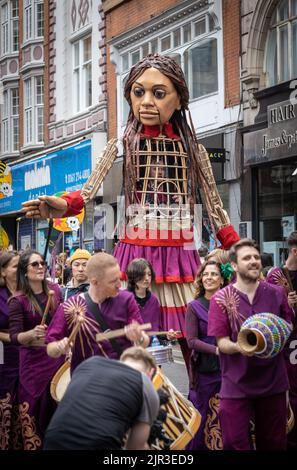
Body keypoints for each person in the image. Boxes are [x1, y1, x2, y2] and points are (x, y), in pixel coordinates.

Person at [22, 54, 239, 369]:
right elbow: (88, 189)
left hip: (180, 252)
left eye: (159, 93)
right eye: (139, 93)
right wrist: (63, 205)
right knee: (125, 339)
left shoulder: (194, 150)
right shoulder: (121, 144)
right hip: (134, 250)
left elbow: (215, 205)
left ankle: (196, 404)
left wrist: (236, 248)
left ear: (179, 99)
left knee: (193, 338)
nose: (147, 102)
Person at [208, 238, 293, 450]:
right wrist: (240, 346)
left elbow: (288, 325)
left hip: (273, 382)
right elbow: (222, 342)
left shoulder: (276, 293)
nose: (254, 261)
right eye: (247, 258)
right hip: (236, 384)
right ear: (235, 266)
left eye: (256, 257)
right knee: (234, 443)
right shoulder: (220, 298)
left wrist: (276, 334)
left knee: (274, 443)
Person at [46, 252, 150, 373]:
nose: (119, 285)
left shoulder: (126, 299)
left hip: (122, 376)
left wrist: (139, 337)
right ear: (95, 282)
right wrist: (59, 347)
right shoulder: (69, 307)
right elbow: (50, 348)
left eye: (119, 279)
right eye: (113, 281)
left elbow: (144, 341)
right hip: (87, 379)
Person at [43, 346, 159, 450]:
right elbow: (135, 447)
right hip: (97, 444)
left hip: (52, 440)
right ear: (150, 372)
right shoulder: (144, 382)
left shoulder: (89, 364)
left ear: (121, 361)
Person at [8, 250, 63, 449]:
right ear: (24, 271)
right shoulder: (18, 301)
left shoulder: (56, 291)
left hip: (55, 359)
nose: (41, 267)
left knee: (56, 410)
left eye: (42, 263)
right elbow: (15, 338)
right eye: (35, 264)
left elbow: (63, 323)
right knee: (34, 412)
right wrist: (31, 334)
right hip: (32, 365)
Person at [186, 260, 229, 450]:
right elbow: (192, 341)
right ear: (201, 279)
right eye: (206, 274)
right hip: (205, 371)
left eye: (214, 274)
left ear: (221, 280)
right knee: (203, 418)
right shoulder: (194, 306)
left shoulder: (230, 303)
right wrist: (217, 350)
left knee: (228, 417)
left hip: (229, 369)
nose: (209, 278)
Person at [266, 230, 297, 449]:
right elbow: (269, 312)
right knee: (290, 392)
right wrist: (288, 303)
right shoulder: (275, 276)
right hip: (288, 344)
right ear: (294, 250)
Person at [0, 251, 21, 449]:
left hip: (29, 354)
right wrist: (15, 338)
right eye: (15, 266)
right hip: (4, 354)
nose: (20, 269)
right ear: (3, 271)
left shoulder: (30, 291)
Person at [126, 258, 161, 333]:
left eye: (149, 274)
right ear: (133, 276)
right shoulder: (124, 299)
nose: (147, 278)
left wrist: (167, 336)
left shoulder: (154, 300)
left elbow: (157, 327)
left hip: (152, 343)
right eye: (142, 275)